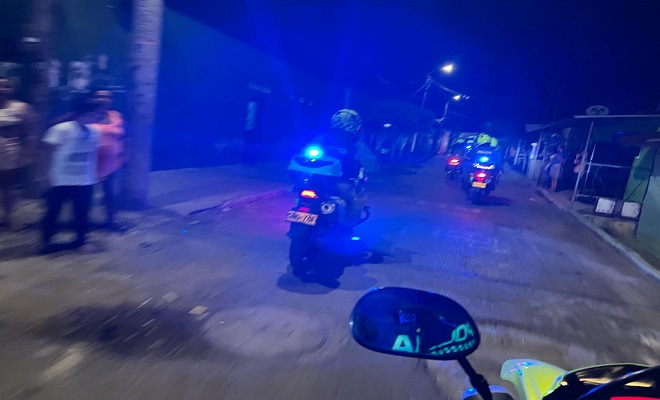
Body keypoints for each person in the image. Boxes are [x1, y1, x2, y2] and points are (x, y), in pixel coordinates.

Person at [40, 92, 101, 254]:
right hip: (60, 179)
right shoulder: (62, 129)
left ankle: (81, 240)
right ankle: (47, 241)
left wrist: (94, 174)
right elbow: (47, 152)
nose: (97, 116)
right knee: (53, 210)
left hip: (84, 179)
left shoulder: (95, 131)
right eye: (94, 113)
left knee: (82, 210)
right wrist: (45, 175)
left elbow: (92, 154)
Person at [308, 109, 378, 225]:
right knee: (359, 198)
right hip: (342, 183)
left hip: (316, 180)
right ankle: (346, 228)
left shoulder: (321, 139)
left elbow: (304, 154)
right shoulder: (357, 145)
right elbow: (372, 166)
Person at [0, 77, 38, 231]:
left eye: (4, 86)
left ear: (11, 89)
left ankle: (10, 216)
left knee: (7, 186)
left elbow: (31, 132)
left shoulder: (21, 107)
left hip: (9, 151)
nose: (1, 89)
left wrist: (28, 152)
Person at [89, 87, 125, 231]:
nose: (104, 99)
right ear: (92, 98)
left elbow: (123, 136)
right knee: (86, 193)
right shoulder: (86, 116)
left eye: (108, 97)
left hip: (111, 162)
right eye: (99, 96)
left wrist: (124, 154)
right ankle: (83, 222)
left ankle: (110, 221)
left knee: (109, 193)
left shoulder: (116, 115)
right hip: (88, 161)